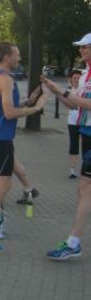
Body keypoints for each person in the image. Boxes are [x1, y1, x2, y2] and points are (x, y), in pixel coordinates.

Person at [0, 41, 47, 253]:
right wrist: (37, 108)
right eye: (17, 54)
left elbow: (1, 106)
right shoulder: (5, 79)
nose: (19, 58)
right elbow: (9, 113)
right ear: (6, 57)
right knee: (3, 185)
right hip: (0, 136)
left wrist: (28, 101)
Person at [43, 33, 91, 260]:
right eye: (80, 47)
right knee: (83, 190)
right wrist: (56, 91)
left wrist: (64, 92)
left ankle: (73, 242)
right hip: (86, 134)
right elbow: (74, 104)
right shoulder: (84, 76)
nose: (80, 51)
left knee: (86, 189)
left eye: (84, 47)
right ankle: (75, 240)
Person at [65, 69, 83, 178]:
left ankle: (86, 168)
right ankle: (72, 170)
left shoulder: (84, 89)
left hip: (85, 122)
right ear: (71, 79)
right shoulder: (68, 90)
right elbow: (70, 104)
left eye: (79, 78)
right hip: (73, 122)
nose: (77, 80)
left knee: (87, 145)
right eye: (75, 78)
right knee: (74, 145)